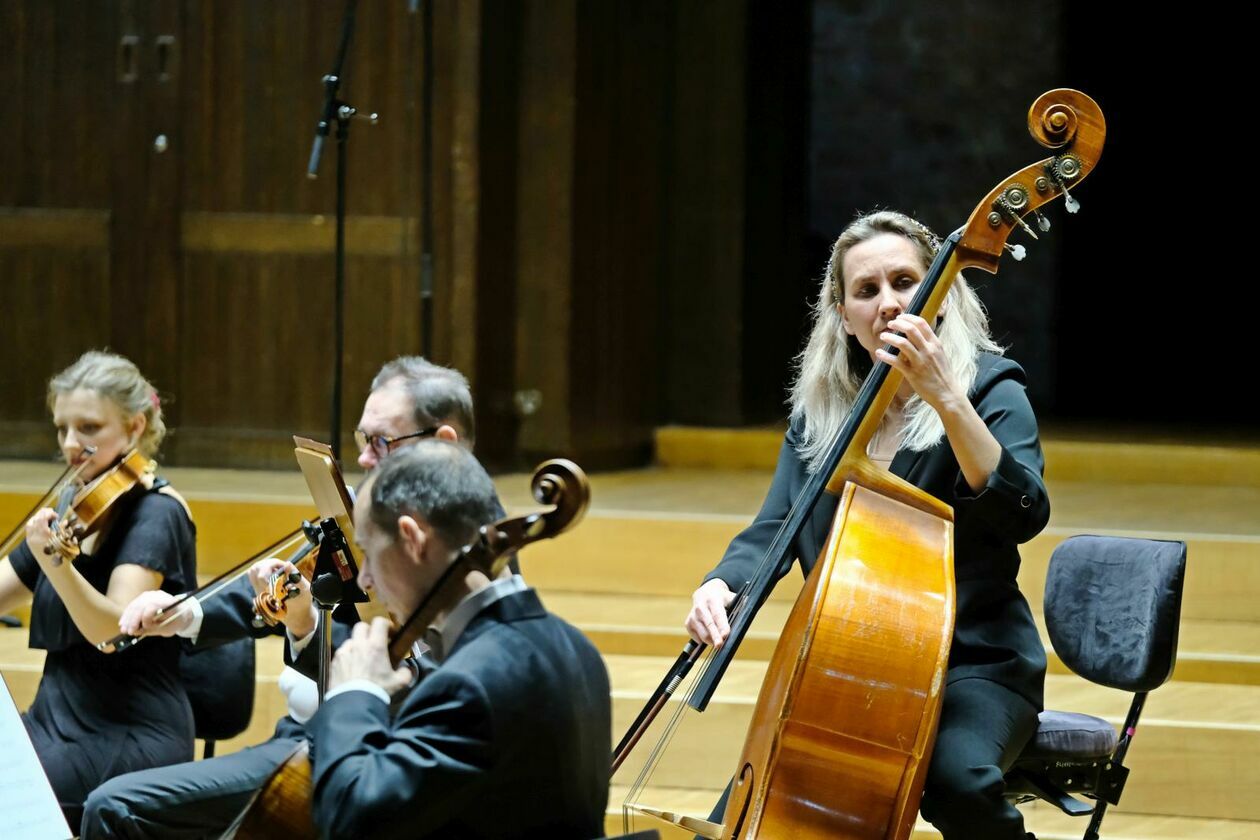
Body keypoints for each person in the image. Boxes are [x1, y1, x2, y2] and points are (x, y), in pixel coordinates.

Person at [684, 211, 1049, 840]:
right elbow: (776, 525)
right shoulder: (824, 411)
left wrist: (944, 397)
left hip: (973, 663)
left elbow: (1025, 512)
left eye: (906, 281)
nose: (888, 303)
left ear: (942, 290)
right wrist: (722, 584)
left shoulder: (990, 389)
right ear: (843, 312)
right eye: (867, 290)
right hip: (851, 669)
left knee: (957, 780)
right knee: (755, 807)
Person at [82, 356, 502, 839]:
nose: (364, 459)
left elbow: (424, 692)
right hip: (305, 738)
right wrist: (185, 613)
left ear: (442, 444)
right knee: (116, 805)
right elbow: (292, 586)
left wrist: (310, 632)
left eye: (381, 442)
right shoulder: (375, 515)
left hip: (360, 753)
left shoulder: (470, 559)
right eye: (362, 440)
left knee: (117, 808)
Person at [307, 440, 610, 838]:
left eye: (366, 551)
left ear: (412, 538)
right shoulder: (576, 646)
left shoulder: (467, 686)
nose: (364, 577)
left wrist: (354, 694)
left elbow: (351, 823)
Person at [0, 350, 197, 827]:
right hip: (54, 719)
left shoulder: (157, 513)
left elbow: (113, 630)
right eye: (62, 428)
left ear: (134, 427)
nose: (71, 444)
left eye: (88, 428)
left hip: (127, 731)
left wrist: (56, 563)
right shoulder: (74, 505)